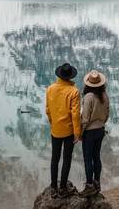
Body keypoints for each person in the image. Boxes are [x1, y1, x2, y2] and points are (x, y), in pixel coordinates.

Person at [46, 63, 81, 198]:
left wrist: (53, 122)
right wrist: (77, 133)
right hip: (68, 132)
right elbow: (75, 115)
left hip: (55, 130)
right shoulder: (74, 92)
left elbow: (48, 110)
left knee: (55, 158)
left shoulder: (50, 89)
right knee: (66, 159)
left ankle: (53, 186)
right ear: (70, 76)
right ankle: (63, 187)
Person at [79, 70, 109, 197]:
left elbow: (85, 118)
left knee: (87, 159)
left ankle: (89, 186)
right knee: (96, 157)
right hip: (100, 130)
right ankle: (97, 182)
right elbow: (107, 114)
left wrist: (80, 133)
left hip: (90, 132)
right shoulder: (105, 95)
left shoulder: (88, 97)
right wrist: (101, 123)